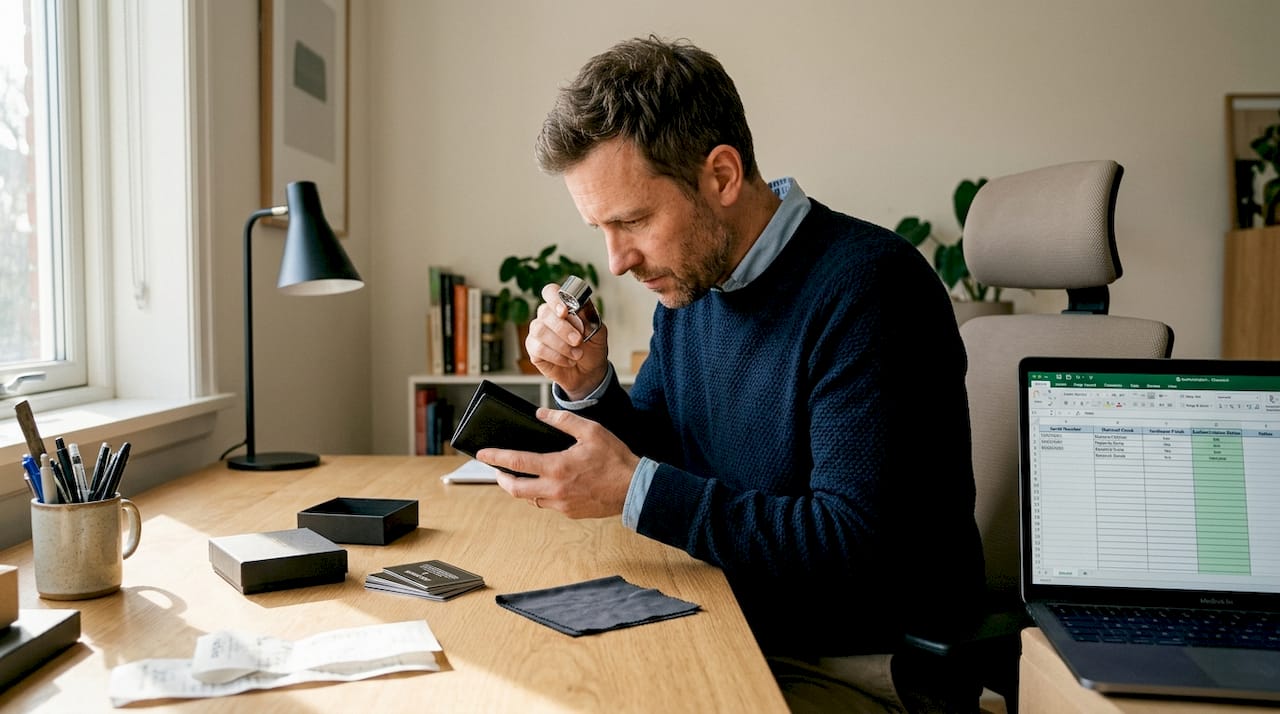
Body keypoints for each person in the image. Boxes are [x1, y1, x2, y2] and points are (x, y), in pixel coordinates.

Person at [476, 35, 984, 713]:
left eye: (633, 221)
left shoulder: (871, 288)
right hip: (731, 614)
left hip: (852, 656)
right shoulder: (693, 281)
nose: (618, 260)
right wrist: (590, 385)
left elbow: (850, 544)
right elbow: (660, 454)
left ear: (720, 176)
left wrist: (635, 490)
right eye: (600, 228)